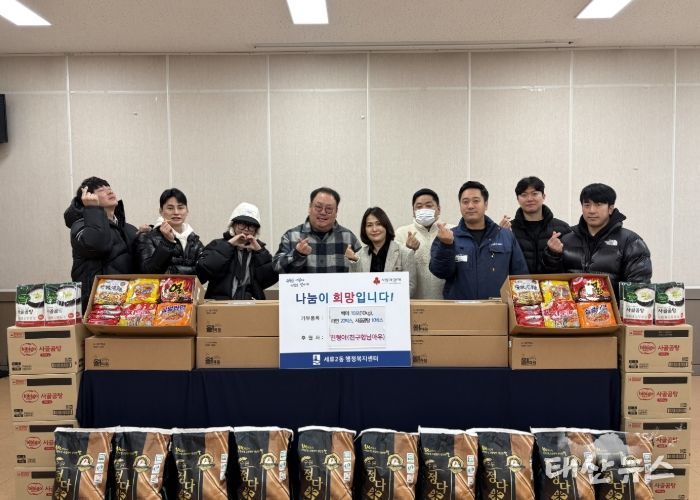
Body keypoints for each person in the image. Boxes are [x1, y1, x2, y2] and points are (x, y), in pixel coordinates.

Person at [543, 183, 652, 295]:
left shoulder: (631, 242)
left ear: (610, 209)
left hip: (612, 306)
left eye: (598, 205)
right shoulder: (566, 239)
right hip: (572, 305)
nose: (591, 210)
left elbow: (638, 287)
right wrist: (553, 255)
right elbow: (552, 283)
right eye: (587, 205)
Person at [430, 181, 528, 300]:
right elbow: (440, 272)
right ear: (460, 205)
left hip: (498, 308)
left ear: (485, 204)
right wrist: (446, 245)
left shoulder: (506, 236)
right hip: (459, 308)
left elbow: (520, 276)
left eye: (476, 201)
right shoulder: (448, 236)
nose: (470, 206)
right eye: (465, 202)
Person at [63, 177, 139, 311]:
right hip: (97, 306)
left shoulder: (129, 229)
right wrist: (92, 209)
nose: (109, 191)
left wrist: (148, 237)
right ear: (87, 198)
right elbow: (97, 246)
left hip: (128, 304)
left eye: (109, 188)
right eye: (101, 190)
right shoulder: (80, 226)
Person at [196, 202, 278, 299]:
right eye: (242, 224)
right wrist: (228, 245)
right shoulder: (217, 245)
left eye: (251, 226)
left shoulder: (259, 251)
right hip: (220, 304)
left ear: (256, 231)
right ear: (233, 225)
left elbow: (269, 279)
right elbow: (202, 273)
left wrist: (260, 252)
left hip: (251, 304)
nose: (246, 229)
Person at [272, 187, 361, 273]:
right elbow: (276, 268)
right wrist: (298, 254)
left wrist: (354, 260)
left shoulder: (348, 237)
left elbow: (364, 268)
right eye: (318, 207)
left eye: (329, 209)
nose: (323, 212)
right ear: (310, 207)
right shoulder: (291, 236)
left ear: (336, 211)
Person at [499, 176, 571, 273]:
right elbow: (499, 265)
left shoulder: (562, 228)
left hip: (552, 283)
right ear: (517, 199)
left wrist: (554, 253)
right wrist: (500, 239)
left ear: (543, 196)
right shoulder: (508, 229)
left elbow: (570, 267)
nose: (529, 199)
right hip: (518, 282)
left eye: (534, 194)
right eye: (524, 195)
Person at [394, 188, 453, 299]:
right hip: (413, 302)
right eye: (419, 207)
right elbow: (394, 271)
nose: (424, 210)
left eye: (429, 206)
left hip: (446, 302)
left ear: (439, 209)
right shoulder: (401, 233)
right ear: (413, 211)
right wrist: (407, 250)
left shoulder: (451, 231)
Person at [347, 207, 417, 297]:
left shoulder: (405, 253)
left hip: (394, 304)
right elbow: (353, 287)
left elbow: (410, 287)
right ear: (364, 229)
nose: (374, 229)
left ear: (386, 226)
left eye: (378, 224)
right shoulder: (358, 256)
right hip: (368, 304)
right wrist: (353, 261)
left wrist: (386, 299)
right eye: (369, 225)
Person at [137, 188, 204, 275]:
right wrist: (167, 242)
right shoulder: (147, 237)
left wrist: (174, 270)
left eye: (180, 208)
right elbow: (148, 272)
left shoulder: (195, 241)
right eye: (170, 208)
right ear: (161, 211)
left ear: (187, 211)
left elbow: (205, 271)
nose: (176, 212)